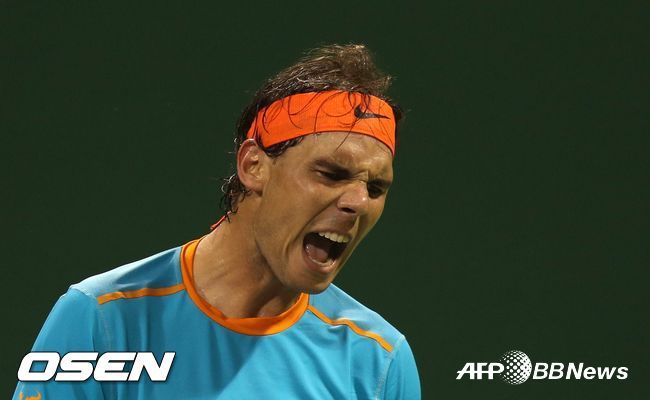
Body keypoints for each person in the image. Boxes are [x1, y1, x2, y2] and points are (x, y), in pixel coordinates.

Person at [14, 44, 421, 399]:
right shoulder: (101, 319)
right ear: (253, 166)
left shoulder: (379, 361)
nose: (358, 203)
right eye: (330, 174)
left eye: (376, 188)